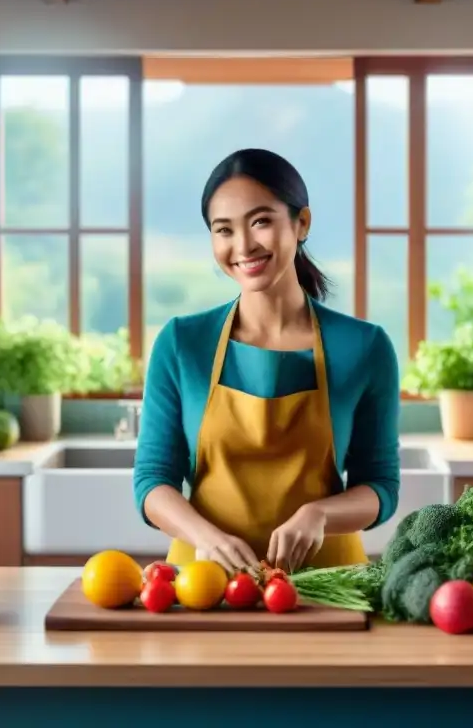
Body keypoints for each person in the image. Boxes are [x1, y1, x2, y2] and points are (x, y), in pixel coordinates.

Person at [133, 148, 401, 574]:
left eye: (260, 221)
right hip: (206, 584)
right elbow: (152, 480)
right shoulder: (182, 343)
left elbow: (381, 486)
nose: (243, 246)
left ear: (302, 223)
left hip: (328, 587)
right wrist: (207, 539)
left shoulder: (364, 347)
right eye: (224, 230)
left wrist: (320, 515)